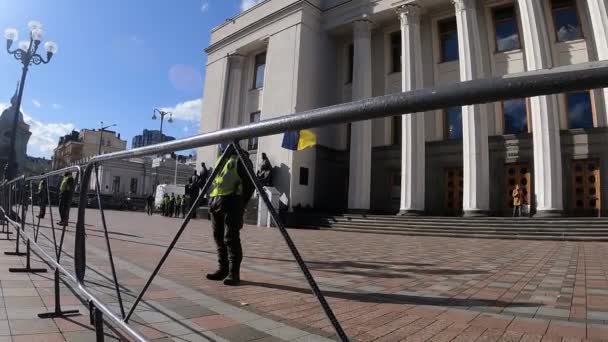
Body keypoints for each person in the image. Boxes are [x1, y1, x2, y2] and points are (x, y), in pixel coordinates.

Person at [206, 144, 255, 286]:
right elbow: (213, 181)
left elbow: (249, 184)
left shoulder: (240, 158)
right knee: (218, 237)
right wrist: (210, 199)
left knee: (231, 238)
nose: (223, 145)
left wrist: (241, 203)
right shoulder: (220, 159)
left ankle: (234, 273)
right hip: (216, 201)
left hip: (232, 202)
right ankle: (223, 269)